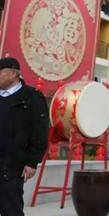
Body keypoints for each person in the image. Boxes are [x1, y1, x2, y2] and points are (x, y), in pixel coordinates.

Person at [0, 57, 49, 216]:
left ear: (14, 73)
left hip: (14, 165)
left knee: (11, 208)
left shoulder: (32, 97)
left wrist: (32, 161)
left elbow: (40, 131)